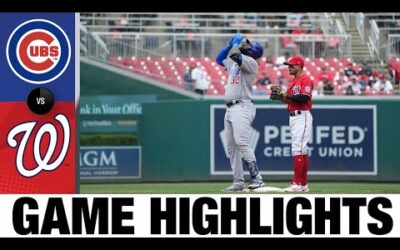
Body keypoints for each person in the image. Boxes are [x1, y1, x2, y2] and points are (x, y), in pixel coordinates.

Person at [215, 34, 265, 192]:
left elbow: (235, 55)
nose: (245, 44)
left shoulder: (250, 62)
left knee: (241, 141)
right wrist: (229, 44)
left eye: (248, 44)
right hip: (230, 108)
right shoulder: (236, 63)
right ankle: (238, 182)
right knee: (231, 147)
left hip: (243, 105)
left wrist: (235, 44)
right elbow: (219, 59)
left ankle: (257, 177)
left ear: (253, 50)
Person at [269, 56, 313, 192]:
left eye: (292, 65)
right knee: (301, 150)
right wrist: (280, 96)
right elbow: (289, 101)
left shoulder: (306, 80)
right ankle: (303, 184)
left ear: (299, 66)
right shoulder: (293, 82)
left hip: (302, 115)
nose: (289, 67)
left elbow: (304, 98)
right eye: (288, 65)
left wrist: (285, 94)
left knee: (298, 149)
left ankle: (297, 183)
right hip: (294, 116)